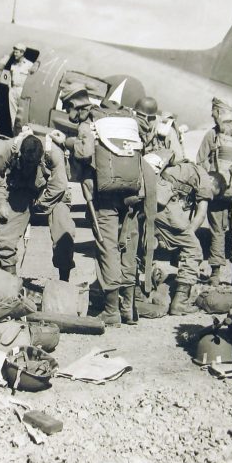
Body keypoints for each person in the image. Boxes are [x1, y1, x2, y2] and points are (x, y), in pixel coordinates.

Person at [60, 82, 148, 327]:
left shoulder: (89, 123)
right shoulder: (126, 120)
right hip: (132, 192)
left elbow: (84, 153)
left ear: (76, 105)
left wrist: (68, 142)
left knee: (107, 246)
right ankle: (128, 309)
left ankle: (111, 311)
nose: (69, 114)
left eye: (69, 109)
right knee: (128, 245)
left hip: (105, 194)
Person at [0, 131, 75, 280]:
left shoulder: (53, 153)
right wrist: (1, 202)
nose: (30, 166)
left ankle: (63, 283)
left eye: (33, 163)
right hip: (21, 189)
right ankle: (10, 284)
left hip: (51, 192)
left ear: (41, 156)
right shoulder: (9, 149)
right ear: (20, 153)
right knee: (4, 236)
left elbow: (59, 185)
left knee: (64, 233)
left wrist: (41, 205)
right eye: (27, 162)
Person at [145, 150, 215, 315]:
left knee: (143, 246)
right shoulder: (205, 177)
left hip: (150, 199)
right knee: (194, 250)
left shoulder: (183, 167)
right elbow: (201, 214)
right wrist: (188, 236)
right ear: (213, 181)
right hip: (166, 206)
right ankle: (180, 303)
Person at [196, 98, 232, 286]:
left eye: (214, 112)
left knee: (217, 232)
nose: (212, 116)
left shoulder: (211, 136)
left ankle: (215, 275)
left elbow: (200, 162)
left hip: (218, 191)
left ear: (219, 113)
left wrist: (211, 182)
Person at [0, 43, 35, 135]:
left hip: (21, 91)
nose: (15, 54)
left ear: (22, 53)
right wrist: (10, 87)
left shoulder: (29, 65)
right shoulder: (13, 65)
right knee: (12, 114)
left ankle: (22, 134)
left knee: (21, 116)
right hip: (13, 90)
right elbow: (9, 76)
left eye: (17, 52)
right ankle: (14, 134)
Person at [134, 96, 184, 161]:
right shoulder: (134, 126)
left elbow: (178, 158)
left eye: (141, 116)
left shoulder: (166, 130)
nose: (138, 119)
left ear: (149, 117)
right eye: (137, 114)